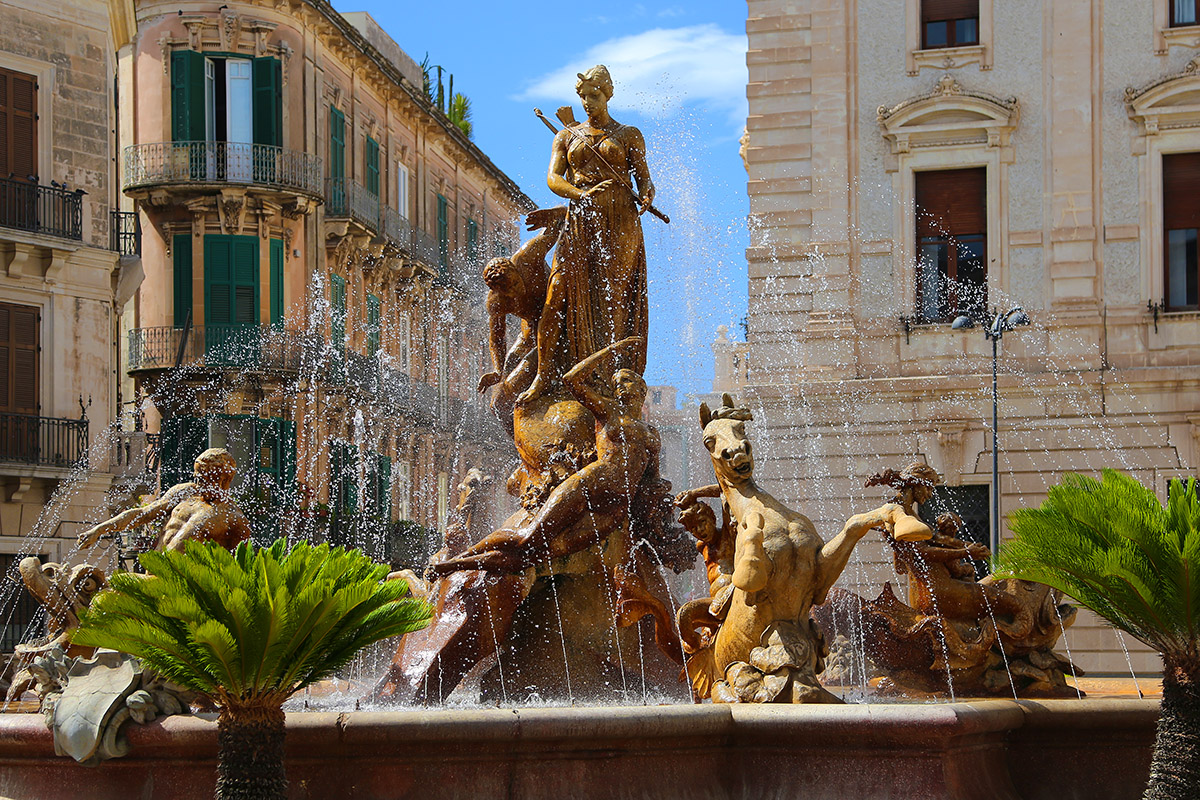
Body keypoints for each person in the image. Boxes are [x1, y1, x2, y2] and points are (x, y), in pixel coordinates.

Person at [432, 336, 657, 573]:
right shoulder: (607, 410)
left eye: (627, 380)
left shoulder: (652, 434)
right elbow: (572, 380)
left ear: (642, 389)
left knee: (540, 553)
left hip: (617, 504)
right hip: (589, 483)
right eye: (617, 382)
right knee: (528, 539)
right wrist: (609, 350)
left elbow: (653, 476)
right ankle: (459, 561)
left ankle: (461, 563)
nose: (620, 385)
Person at [519, 65, 655, 405]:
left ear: (608, 94)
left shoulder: (628, 135)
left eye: (594, 96)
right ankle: (544, 374)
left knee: (615, 301)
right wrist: (579, 195)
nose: (588, 103)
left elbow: (644, 179)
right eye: (583, 97)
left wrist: (648, 194)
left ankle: (611, 377)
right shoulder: (566, 136)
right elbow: (553, 177)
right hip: (581, 220)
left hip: (620, 222)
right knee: (558, 291)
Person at [78, 448, 252, 553]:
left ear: (223, 480)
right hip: (155, 572)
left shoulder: (234, 519)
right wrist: (99, 530)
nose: (197, 480)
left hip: (184, 593)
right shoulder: (185, 492)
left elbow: (239, 567)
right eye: (196, 475)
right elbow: (143, 514)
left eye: (203, 477)